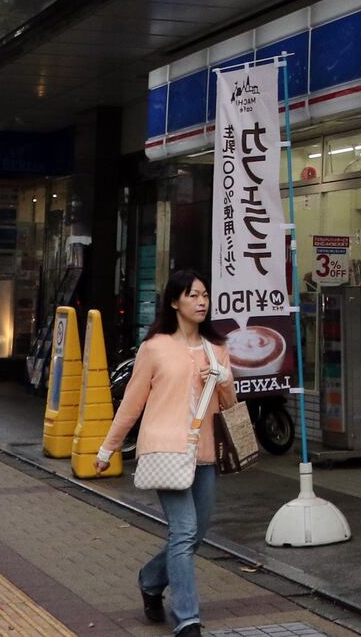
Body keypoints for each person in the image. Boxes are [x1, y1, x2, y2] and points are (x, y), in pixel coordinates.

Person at [97, 270, 236, 637]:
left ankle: (150, 579)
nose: (201, 301)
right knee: (185, 529)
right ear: (175, 301)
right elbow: (132, 403)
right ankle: (187, 619)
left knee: (196, 532)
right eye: (193, 295)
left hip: (202, 452)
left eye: (205, 295)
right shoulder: (155, 347)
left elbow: (229, 405)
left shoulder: (216, 348)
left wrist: (222, 379)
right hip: (163, 450)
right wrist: (108, 447)